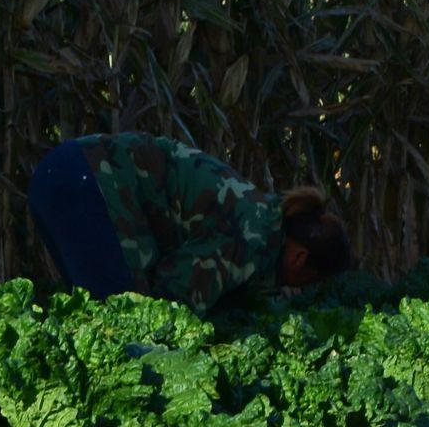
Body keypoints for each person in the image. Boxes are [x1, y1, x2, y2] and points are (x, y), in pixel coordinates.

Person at [26, 132, 353, 310]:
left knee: (97, 316)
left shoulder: (262, 216)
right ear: (299, 258)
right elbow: (174, 294)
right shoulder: (252, 240)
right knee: (129, 321)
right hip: (87, 185)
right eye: (306, 282)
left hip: (64, 172)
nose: (295, 289)